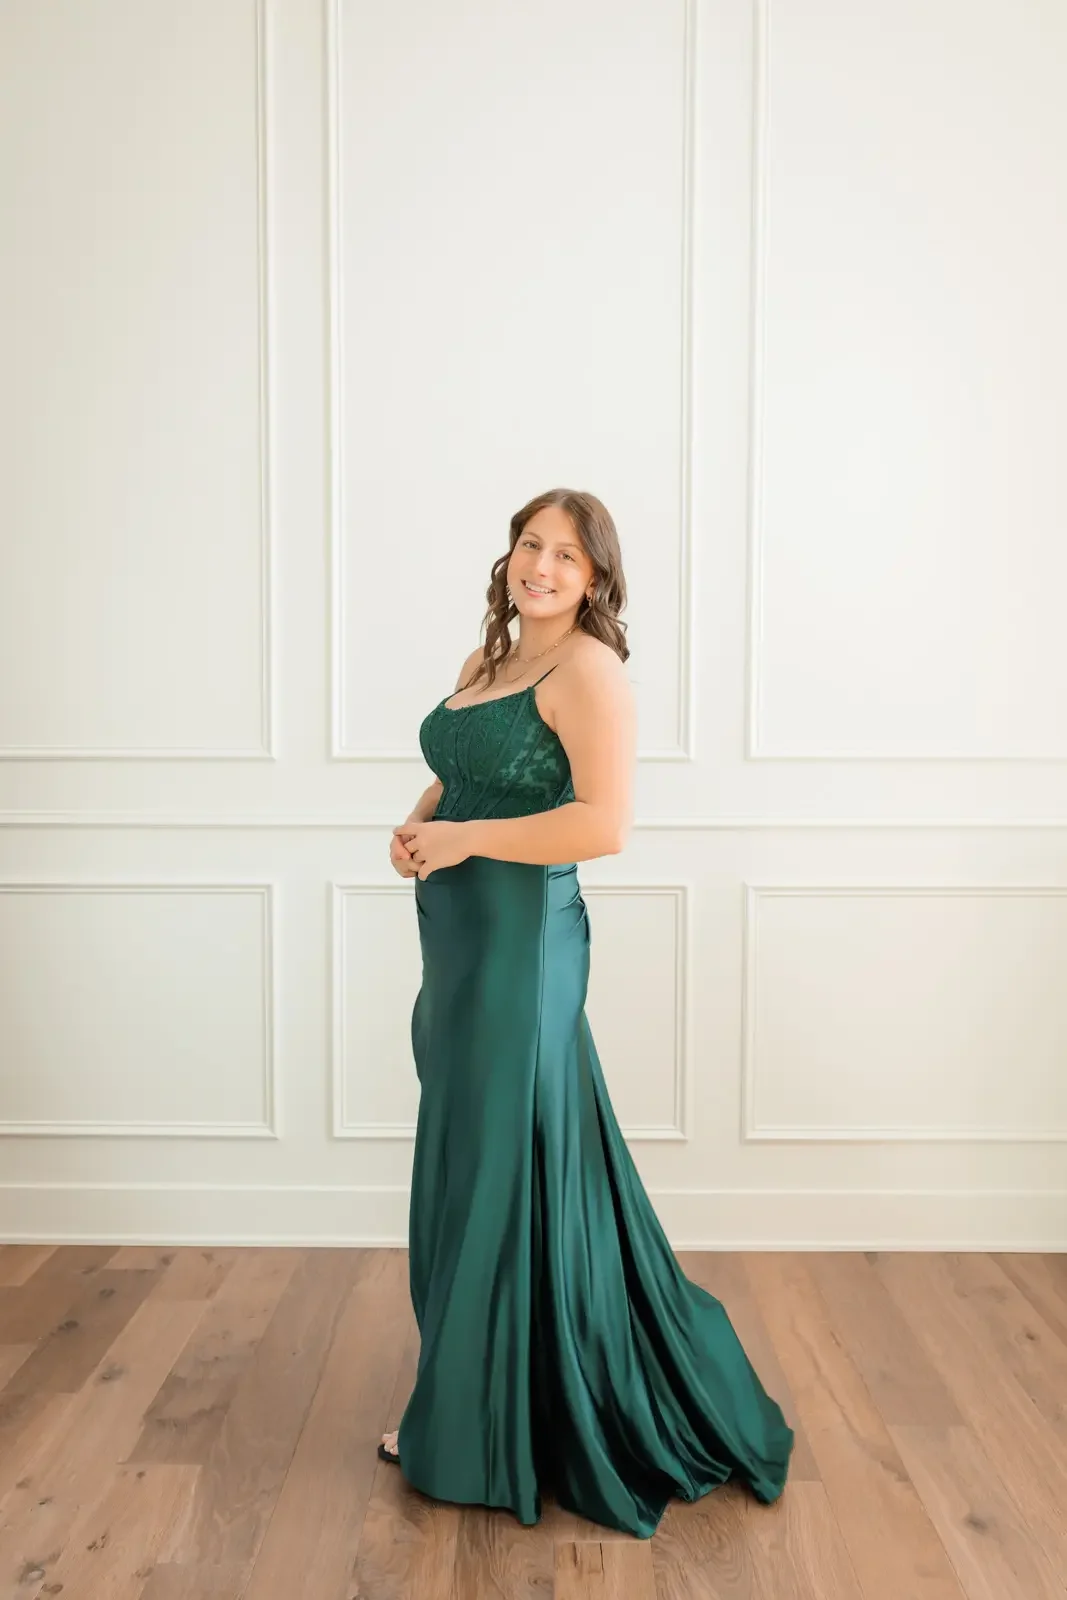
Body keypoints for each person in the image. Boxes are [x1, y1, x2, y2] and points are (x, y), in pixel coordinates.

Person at [378, 488, 793, 1539]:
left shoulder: (590, 673)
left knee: (501, 1169)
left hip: (526, 942)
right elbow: (460, 771)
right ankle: (464, 1398)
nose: (542, 566)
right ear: (508, 557)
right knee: (466, 1160)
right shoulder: (489, 665)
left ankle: (485, 1424)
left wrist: (466, 843)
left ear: (596, 578)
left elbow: (602, 825)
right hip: (460, 940)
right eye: (530, 545)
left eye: (567, 554)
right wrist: (419, 820)